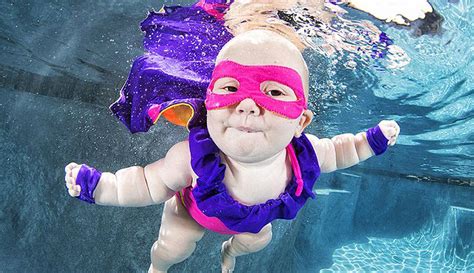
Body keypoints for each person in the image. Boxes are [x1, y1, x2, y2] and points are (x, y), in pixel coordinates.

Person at [64, 1, 407, 272]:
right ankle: (158, 268)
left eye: (273, 93)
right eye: (229, 88)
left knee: (254, 242)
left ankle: (230, 253)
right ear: (209, 105)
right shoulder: (191, 158)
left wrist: (371, 141)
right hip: (190, 213)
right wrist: (103, 188)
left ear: (301, 121)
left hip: (255, 223)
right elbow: (148, 184)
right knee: (173, 247)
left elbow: (342, 150)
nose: (246, 105)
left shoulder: (304, 153)